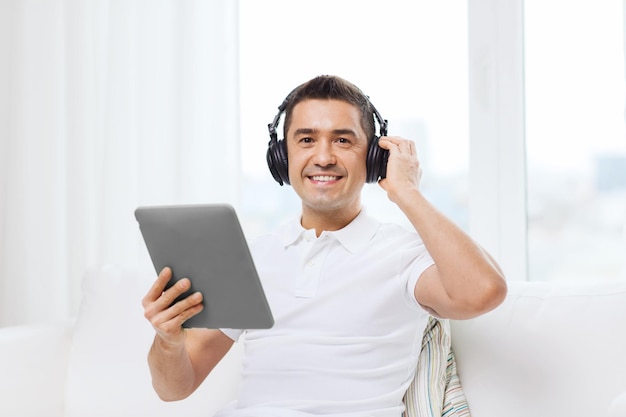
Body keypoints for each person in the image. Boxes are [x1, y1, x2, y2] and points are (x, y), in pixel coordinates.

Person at [142, 75, 507, 416]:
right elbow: (175, 387)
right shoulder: (250, 257)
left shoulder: (402, 254)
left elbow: (484, 291)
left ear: (374, 158)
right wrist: (168, 341)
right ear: (282, 156)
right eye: (306, 139)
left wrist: (406, 191)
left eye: (343, 140)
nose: (323, 157)